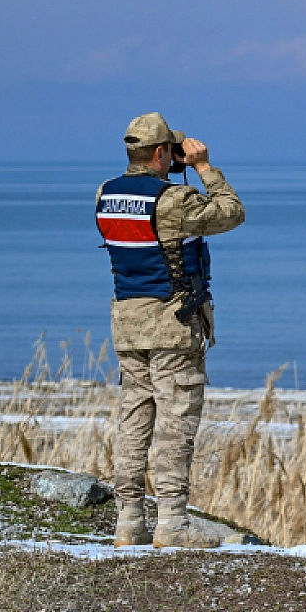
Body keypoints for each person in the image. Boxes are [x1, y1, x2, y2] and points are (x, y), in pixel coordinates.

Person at [95, 113, 244, 549]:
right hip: (172, 323)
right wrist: (203, 166)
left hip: (127, 321)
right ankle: (173, 524)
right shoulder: (175, 200)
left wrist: (172, 171)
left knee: (134, 420)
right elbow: (231, 212)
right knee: (176, 424)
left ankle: (128, 522)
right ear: (162, 152)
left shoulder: (105, 194)